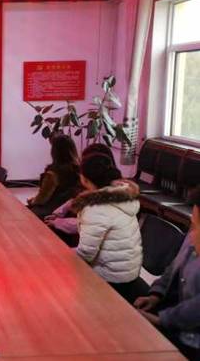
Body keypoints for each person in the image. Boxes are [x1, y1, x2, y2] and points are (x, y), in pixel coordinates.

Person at [134, 185, 200, 359]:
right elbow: (174, 267)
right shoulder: (193, 235)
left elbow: (195, 310)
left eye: (196, 226)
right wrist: (156, 295)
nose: (192, 233)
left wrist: (160, 320)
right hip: (173, 315)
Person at [73, 152, 143, 303]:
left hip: (111, 278)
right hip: (129, 272)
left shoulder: (95, 209)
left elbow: (86, 254)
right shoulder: (123, 197)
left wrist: (65, 256)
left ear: (84, 179)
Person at [44, 143, 117, 245]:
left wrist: (58, 222)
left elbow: (84, 224)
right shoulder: (100, 188)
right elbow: (75, 200)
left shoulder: (107, 199)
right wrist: (58, 213)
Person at [28, 134, 81, 219]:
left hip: (50, 212)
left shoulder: (52, 173)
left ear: (54, 152)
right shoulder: (80, 170)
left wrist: (32, 201)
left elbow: (42, 199)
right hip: (71, 212)